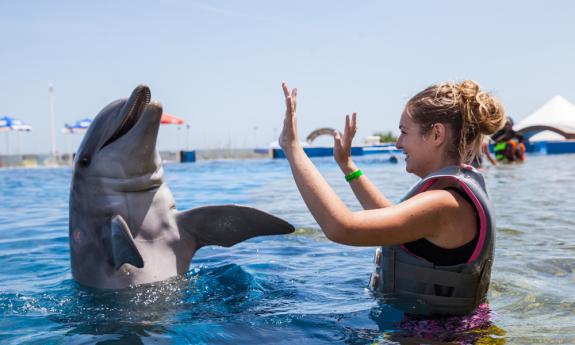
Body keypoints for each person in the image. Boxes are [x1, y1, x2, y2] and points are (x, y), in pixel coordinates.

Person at [279, 80, 506, 317]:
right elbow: (389, 217)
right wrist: (347, 166)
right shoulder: (447, 200)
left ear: (436, 134)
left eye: (404, 132)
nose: (398, 143)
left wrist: (293, 149)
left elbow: (342, 228)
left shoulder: (444, 204)